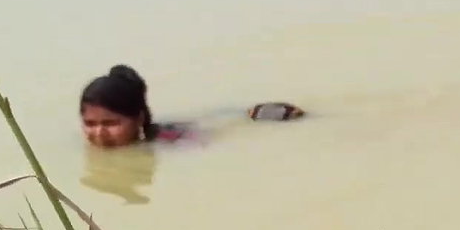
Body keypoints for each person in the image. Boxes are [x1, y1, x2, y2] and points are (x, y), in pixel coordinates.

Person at [79, 64, 305, 148]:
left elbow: (208, 141)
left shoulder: (170, 141)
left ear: (138, 119)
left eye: (110, 123)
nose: (99, 132)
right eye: (90, 123)